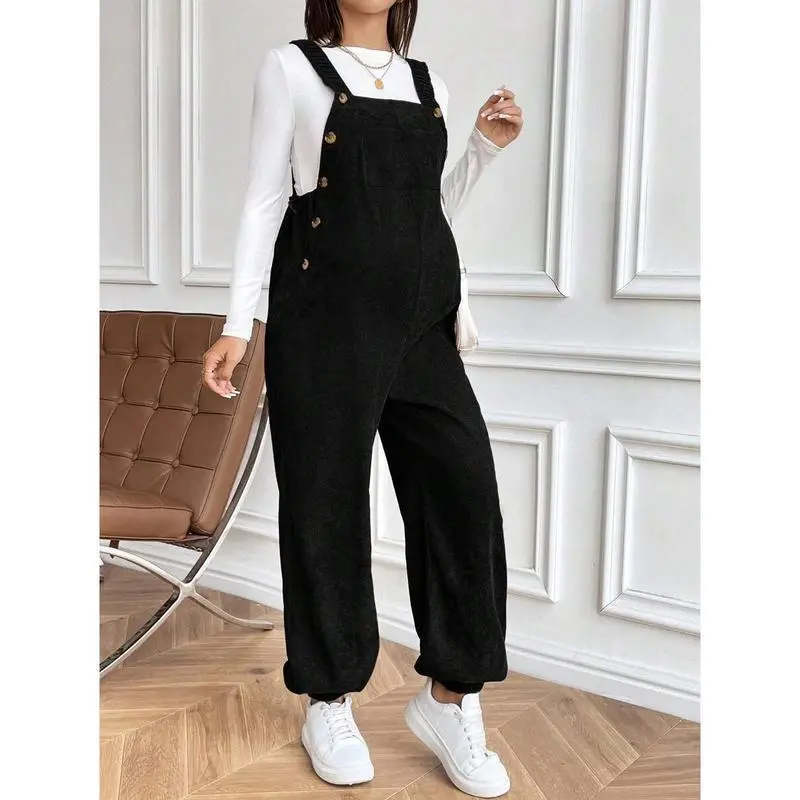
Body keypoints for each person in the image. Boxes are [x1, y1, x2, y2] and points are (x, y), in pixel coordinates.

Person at [202, 1, 523, 796]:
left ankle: (451, 698)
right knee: (325, 504)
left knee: (463, 496)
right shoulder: (291, 68)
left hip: (421, 323)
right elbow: (265, 199)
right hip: (322, 319)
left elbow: (424, 213)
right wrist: (239, 324)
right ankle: (329, 698)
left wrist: (481, 151)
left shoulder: (427, 82)